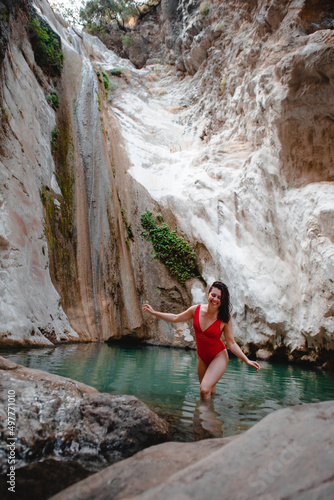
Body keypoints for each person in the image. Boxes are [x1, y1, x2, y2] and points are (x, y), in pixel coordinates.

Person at [142, 281, 260, 400]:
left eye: (219, 297)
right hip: (202, 357)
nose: (215, 299)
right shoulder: (196, 310)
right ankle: (208, 414)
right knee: (208, 392)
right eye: (213, 295)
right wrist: (154, 312)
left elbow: (232, 343)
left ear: (222, 300)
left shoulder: (224, 318)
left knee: (204, 389)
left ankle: (206, 417)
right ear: (208, 295)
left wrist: (246, 360)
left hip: (218, 356)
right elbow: (176, 317)